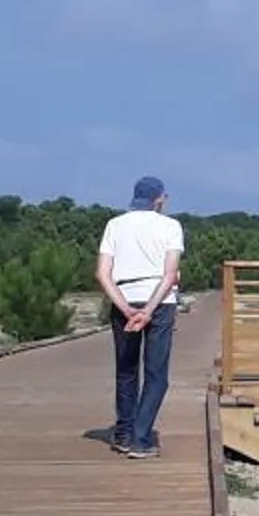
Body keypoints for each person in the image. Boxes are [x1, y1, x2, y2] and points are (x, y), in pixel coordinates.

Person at [95, 175, 184, 458]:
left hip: (124, 298)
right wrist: (148, 310)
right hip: (160, 302)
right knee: (156, 375)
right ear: (160, 199)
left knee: (127, 370)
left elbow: (102, 273)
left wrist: (126, 308)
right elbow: (170, 274)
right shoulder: (170, 226)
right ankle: (141, 438)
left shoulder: (115, 225)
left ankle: (123, 433)